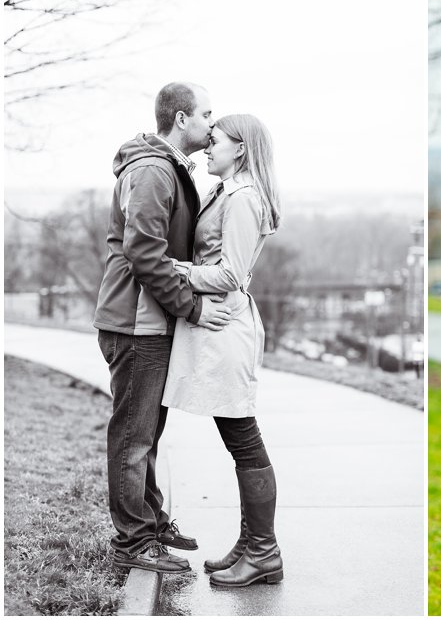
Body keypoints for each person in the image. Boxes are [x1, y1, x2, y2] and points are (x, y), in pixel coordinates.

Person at [94, 82, 234, 574]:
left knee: (147, 434)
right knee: (133, 437)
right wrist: (192, 308)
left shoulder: (167, 166)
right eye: (207, 115)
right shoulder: (154, 169)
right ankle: (133, 542)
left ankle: (149, 524)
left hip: (149, 323)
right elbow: (145, 253)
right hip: (136, 324)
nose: (213, 124)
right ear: (180, 119)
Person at [161, 114, 283, 588]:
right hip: (217, 326)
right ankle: (250, 543)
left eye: (215, 142)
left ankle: (264, 552)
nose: (206, 149)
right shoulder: (226, 192)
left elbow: (230, 274)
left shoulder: (244, 199)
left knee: (244, 439)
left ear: (241, 150)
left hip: (226, 329)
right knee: (239, 439)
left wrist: (175, 269)